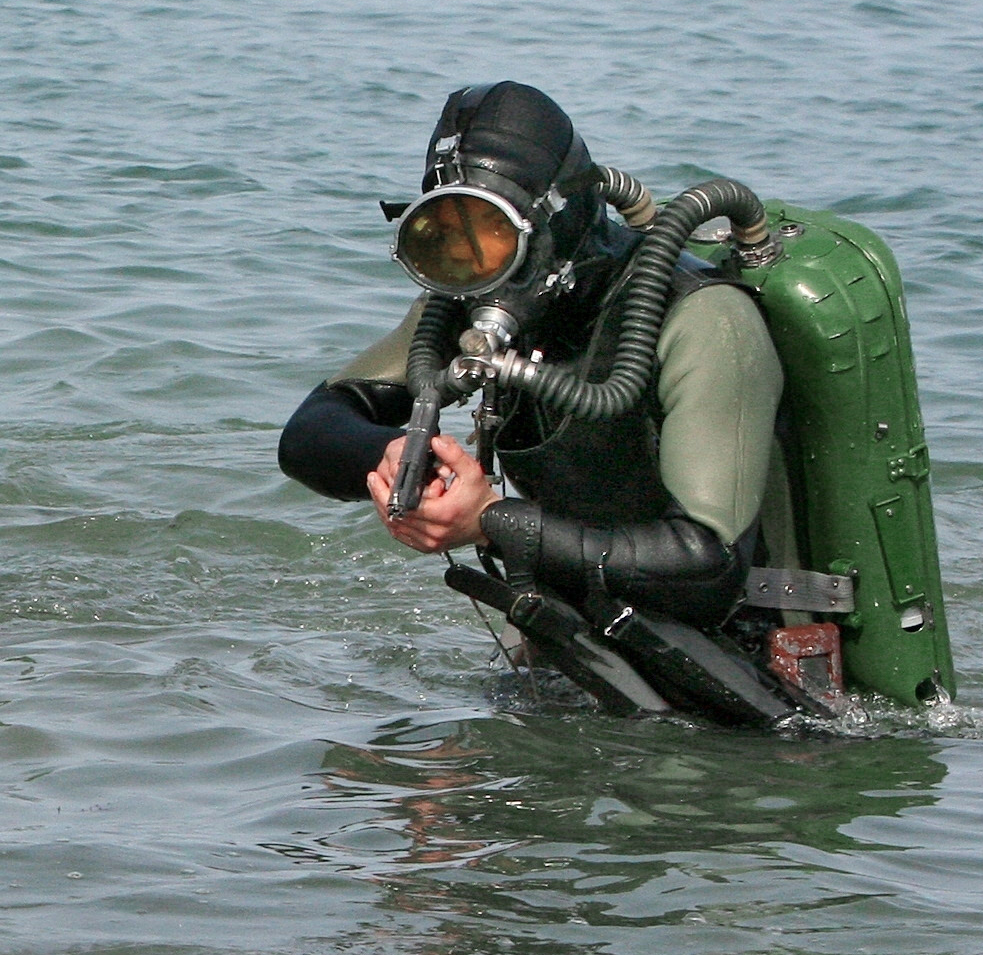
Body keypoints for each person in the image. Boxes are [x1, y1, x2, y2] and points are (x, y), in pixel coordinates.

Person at [278, 81, 806, 723]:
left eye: (489, 234)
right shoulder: (473, 298)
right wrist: (390, 453)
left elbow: (704, 568)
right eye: (445, 238)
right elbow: (310, 433)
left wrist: (491, 521)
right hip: (583, 646)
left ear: (554, 221)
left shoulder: (702, 320)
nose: (472, 264)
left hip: (750, 684)